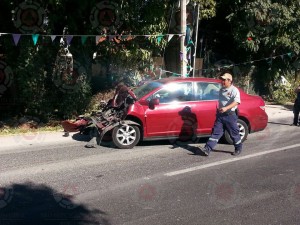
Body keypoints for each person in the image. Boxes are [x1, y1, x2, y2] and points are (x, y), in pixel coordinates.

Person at [197, 72, 242, 156]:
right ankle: (207, 149)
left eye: (224, 80)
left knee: (234, 133)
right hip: (220, 115)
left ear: (229, 80)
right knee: (216, 132)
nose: (222, 81)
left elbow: (237, 102)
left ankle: (238, 148)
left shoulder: (234, 90)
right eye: (222, 80)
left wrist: (226, 108)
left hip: (230, 115)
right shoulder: (221, 89)